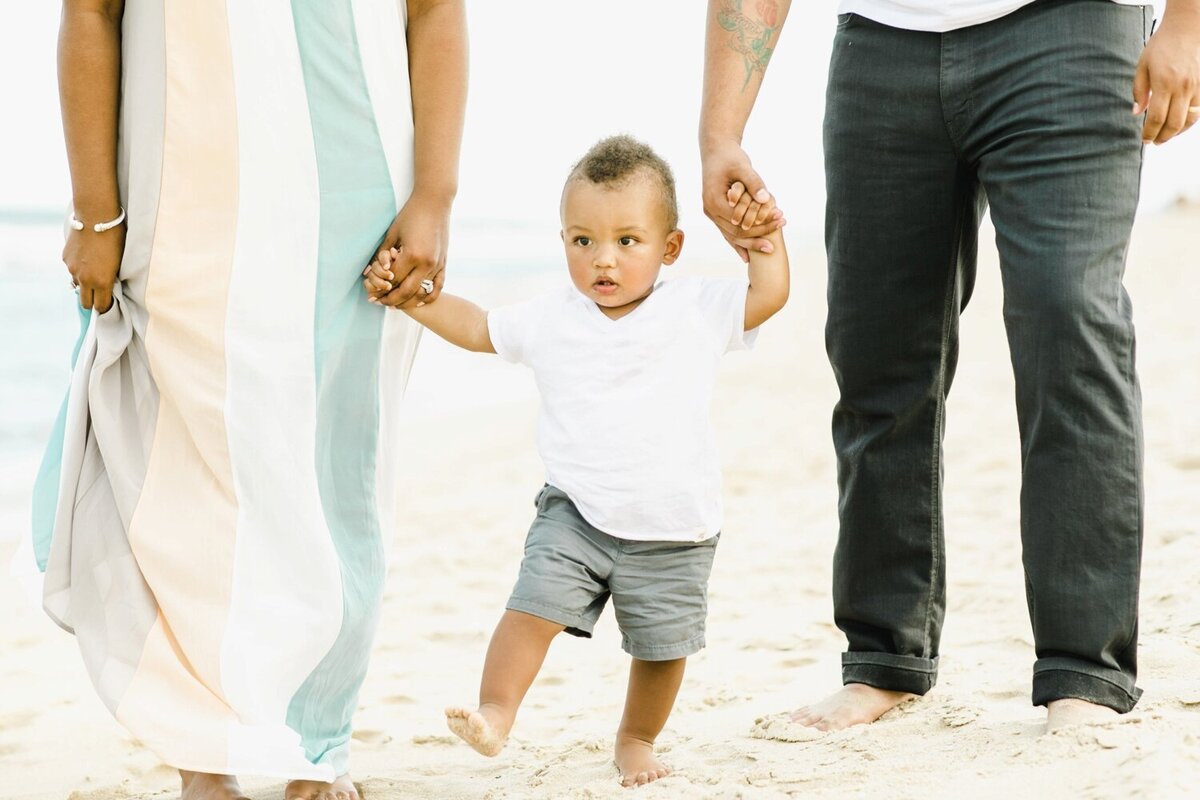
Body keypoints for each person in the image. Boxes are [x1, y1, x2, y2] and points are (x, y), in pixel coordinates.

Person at [699, 0, 1200, 733]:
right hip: (881, 47)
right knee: (877, 353)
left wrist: (1187, 23)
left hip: (1070, 29)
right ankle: (882, 660)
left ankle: (1083, 671)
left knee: (1068, 323)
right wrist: (720, 133)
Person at [35, 2, 466, 799]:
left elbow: (435, 11)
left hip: (360, 204)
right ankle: (208, 753)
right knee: (189, 475)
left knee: (338, 475)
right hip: (180, 201)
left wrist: (435, 195)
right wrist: (94, 210)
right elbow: (90, 12)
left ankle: (316, 745)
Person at [364, 135, 789, 787]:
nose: (603, 260)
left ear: (669, 247)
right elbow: (479, 330)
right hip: (577, 513)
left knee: (661, 648)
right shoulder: (551, 317)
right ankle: (496, 712)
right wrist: (414, 298)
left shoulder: (695, 309)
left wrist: (762, 240)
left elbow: (769, 295)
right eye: (582, 241)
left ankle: (636, 739)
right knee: (530, 610)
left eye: (627, 240)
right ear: (563, 241)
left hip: (674, 528)